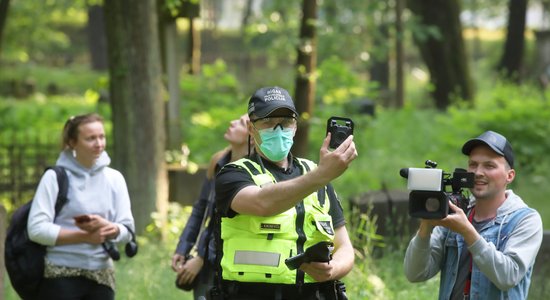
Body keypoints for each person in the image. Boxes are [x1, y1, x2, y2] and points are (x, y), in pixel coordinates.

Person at [214, 86, 358, 299]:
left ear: (295, 127)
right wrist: (322, 175)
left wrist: (334, 268)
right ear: (251, 129)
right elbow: (262, 203)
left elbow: (344, 246)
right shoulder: (233, 174)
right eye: (268, 123)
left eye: (286, 122)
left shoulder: (315, 175)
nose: (278, 129)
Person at [404, 130, 543, 300]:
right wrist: (426, 226)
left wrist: (467, 232)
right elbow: (415, 273)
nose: (478, 172)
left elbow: (508, 276)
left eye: (489, 166)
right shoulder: (455, 212)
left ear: (510, 175)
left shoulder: (525, 219)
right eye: (473, 164)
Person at [27, 113, 136, 300]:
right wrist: (85, 236)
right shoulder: (54, 178)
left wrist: (108, 227)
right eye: (90, 138)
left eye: (102, 137)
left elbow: (128, 230)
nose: (99, 144)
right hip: (59, 276)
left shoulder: (115, 178)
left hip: (102, 276)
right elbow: (36, 229)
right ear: (72, 143)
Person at [172, 113, 250, 299]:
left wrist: (201, 256)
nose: (232, 122)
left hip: (234, 261)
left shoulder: (254, 172)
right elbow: (201, 210)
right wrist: (183, 247)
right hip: (207, 260)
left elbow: (227, 222)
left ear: (253, 137)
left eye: (241, 123)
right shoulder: (218, 161)